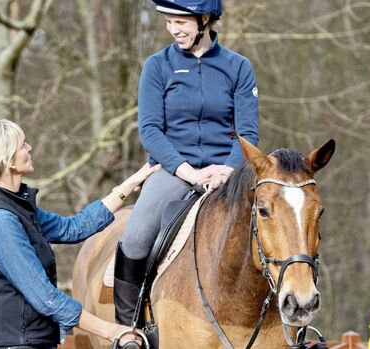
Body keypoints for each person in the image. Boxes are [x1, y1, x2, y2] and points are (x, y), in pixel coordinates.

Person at [114, 0, 260, 328]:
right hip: (174, 170)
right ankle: (129, 329)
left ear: (204, 18)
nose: (174, 30)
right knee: (135, 237)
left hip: (228, 173)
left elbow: (248, 132)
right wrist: (188, 171)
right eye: (169, 22)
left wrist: (227, 170)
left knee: (272, 229)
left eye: (181, 22)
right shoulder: (157, 66)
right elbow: (150, 129)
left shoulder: (238, 67)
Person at [0, 119, 158, 349]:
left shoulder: (19, 209)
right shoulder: (0, 221)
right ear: (8, 161)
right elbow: (46, 297)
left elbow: (74, 228)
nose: (29, 148)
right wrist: (112, 331)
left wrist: (130, 183)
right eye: (23, 145)